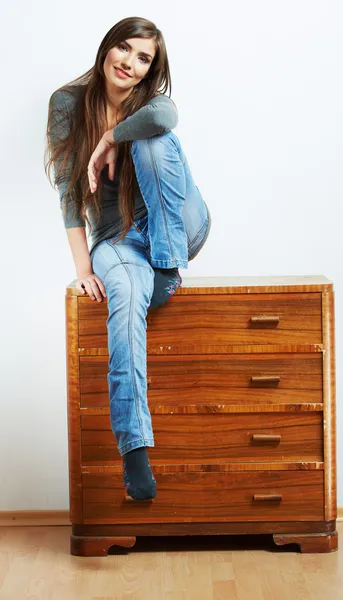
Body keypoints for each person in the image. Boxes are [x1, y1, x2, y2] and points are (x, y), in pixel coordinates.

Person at [45, 16, 212, 501]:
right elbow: (67, 192)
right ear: (106, 48)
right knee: (123, 298)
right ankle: (135, 449)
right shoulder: (67, 103)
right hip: (119, 239)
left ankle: (167, 264)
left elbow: (165, 120)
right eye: (125, 49)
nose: (131, 64)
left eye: (145, 58)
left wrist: (112, 137)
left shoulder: (152, 104)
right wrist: (82, 270)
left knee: (153, 141)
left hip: (179, 223)